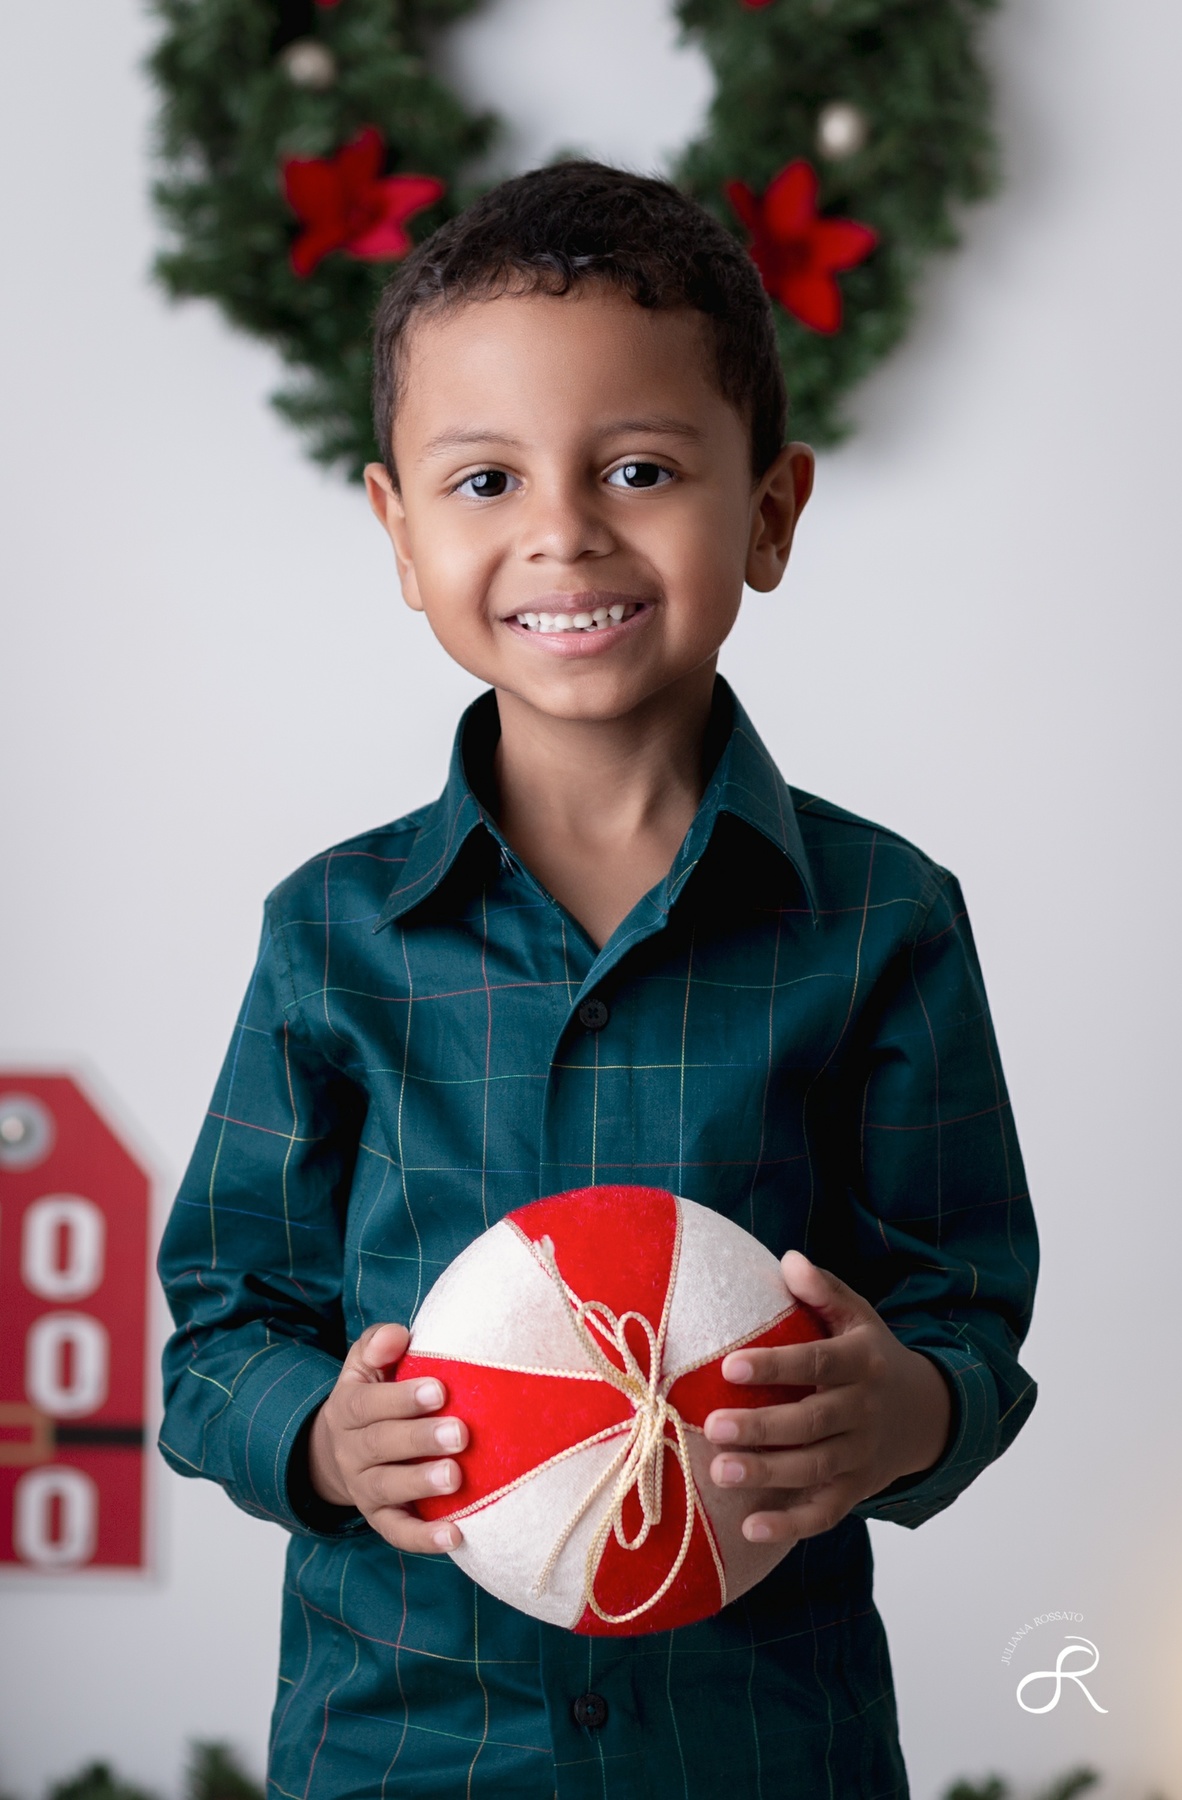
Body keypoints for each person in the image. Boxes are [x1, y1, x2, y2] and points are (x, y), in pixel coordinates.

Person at [157, 161, 1038, 1799]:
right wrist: (316, 1436)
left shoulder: (882, 920)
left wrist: (907, 1410)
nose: (561, 529)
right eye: (485, 479)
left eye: (639, 468)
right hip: (400, 1741)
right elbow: (220, 1320)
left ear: (768, 512)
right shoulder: (331, 934)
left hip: (763, 1745)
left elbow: (965, 1305)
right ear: (400, 534)